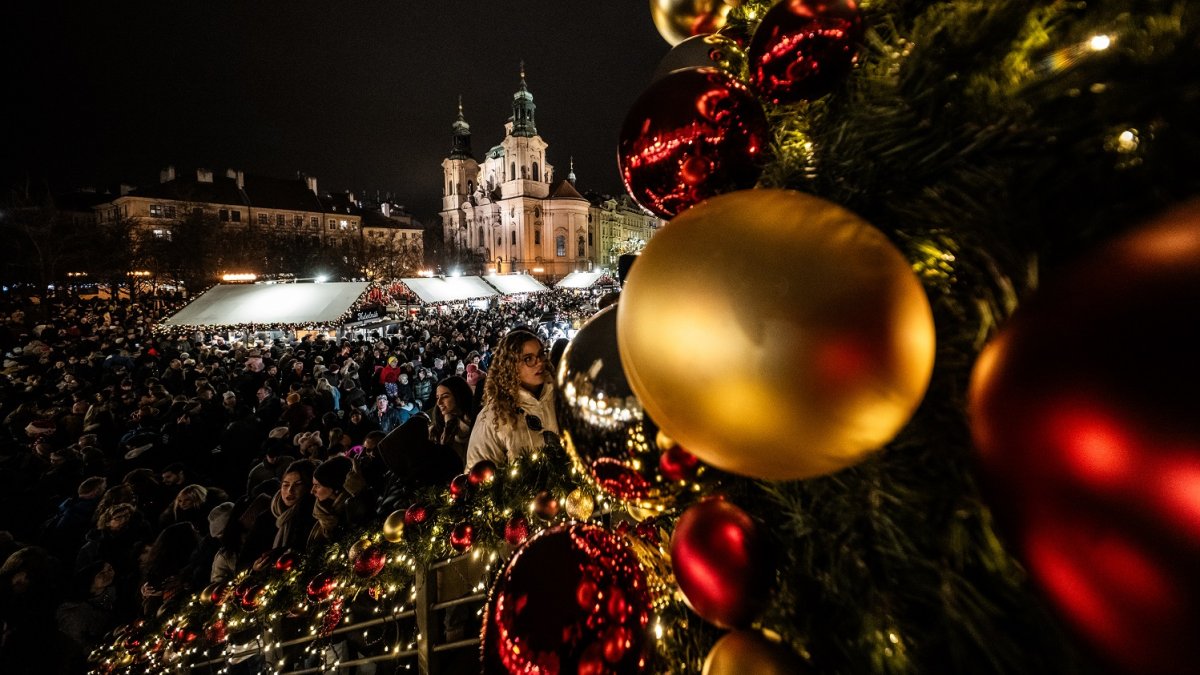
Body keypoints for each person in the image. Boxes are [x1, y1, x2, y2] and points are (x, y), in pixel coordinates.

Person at [465, 329, 559, 468]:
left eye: (540, 355)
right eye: (528, 359)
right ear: (510, 366)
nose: (539, 362)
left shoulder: (561, 396)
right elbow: (478, 475)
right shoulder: (493, 418)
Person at [428, 375, 477, 467]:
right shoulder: (436, 430)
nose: (439, 402)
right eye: (438, 397)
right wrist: (449, 426)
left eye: (445, 396)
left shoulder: (478, 423)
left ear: (459, 395)